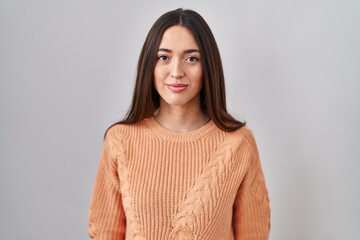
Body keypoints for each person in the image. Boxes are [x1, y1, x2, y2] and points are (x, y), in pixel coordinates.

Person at [88, 8, 270, 240]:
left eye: (191, 58)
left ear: (208, 67)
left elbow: (254, 234)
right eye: (164, 57)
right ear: (149, 65)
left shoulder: (238, 143)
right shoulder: (120, 140)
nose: (176, 72)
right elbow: (105, 233)